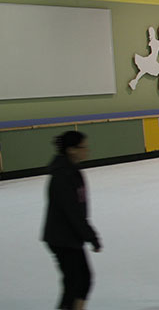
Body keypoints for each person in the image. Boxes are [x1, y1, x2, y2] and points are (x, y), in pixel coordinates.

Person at [43, 131, 102, 310]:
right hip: (63, 238)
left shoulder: (70, 170)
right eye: (83, 147)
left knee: (78, 282)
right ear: (71, 150)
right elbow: (72, 211)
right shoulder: (63, 175)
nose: (87, 151)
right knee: (79, 282)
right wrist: (91, 236)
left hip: (67, 236)